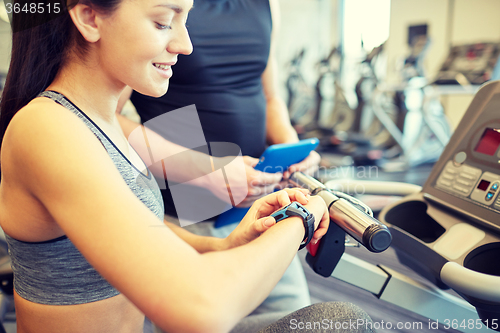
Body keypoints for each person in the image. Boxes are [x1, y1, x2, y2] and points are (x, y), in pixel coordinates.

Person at [0, 0, 375, 333]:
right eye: (164, 22)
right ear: (89, 18)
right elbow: (202, 311)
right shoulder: (48, 128)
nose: (185, 45)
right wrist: (302, 219)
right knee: (342, 321)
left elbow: (135, 223)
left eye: (185, 21)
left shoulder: (100, 122)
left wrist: (218, 246)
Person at [117, 0, 320, 318]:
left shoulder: (266, 5)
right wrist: (209, 171)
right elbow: (108, 118)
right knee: (205, 318)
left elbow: (270, 97)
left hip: (259, 200)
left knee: (296, 318)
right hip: (187, 211)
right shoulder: (164, 6)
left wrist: (293, 149)